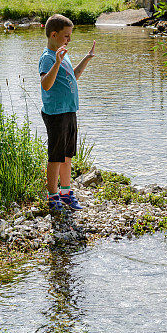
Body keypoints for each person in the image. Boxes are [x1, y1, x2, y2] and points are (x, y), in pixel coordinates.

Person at [39, 14, 95, 211]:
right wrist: (56, 62)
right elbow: (46, 85)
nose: (69, 40)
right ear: (54, 35)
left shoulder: (64, 55)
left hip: (70, 110)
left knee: (67, 155)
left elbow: (73, 77)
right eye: (66, 36)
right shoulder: (47, 58)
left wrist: (86, 59)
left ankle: (66, 192)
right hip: (56, 113)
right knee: (56, 156)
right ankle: (53, 196)